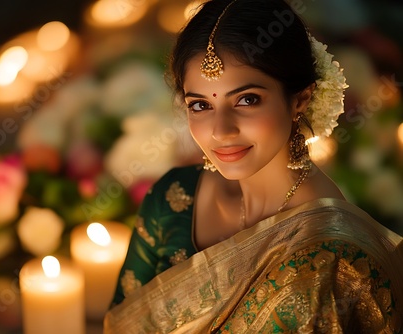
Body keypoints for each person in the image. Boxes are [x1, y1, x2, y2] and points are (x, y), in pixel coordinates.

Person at [104, 0, 403, 332]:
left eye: (247, 100)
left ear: (300, 99)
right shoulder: (172, 198)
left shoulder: (334, 250)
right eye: (200, 105)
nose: (221, 130)